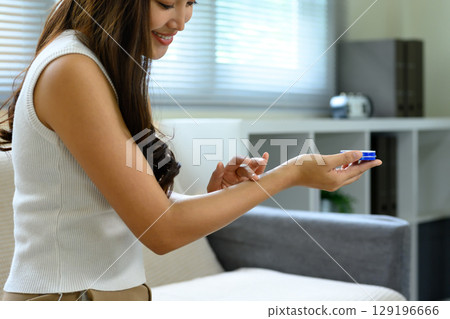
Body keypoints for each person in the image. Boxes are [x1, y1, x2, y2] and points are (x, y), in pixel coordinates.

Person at [0, 0, 381, 301]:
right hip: (68, 299)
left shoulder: (104, 66)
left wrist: (217, 197)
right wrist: (292, 173)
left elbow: (119, 204)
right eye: (166, 3)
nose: (181, 21)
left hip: (105, 295)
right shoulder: (72, 69)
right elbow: (162, 231)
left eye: (190, 2)